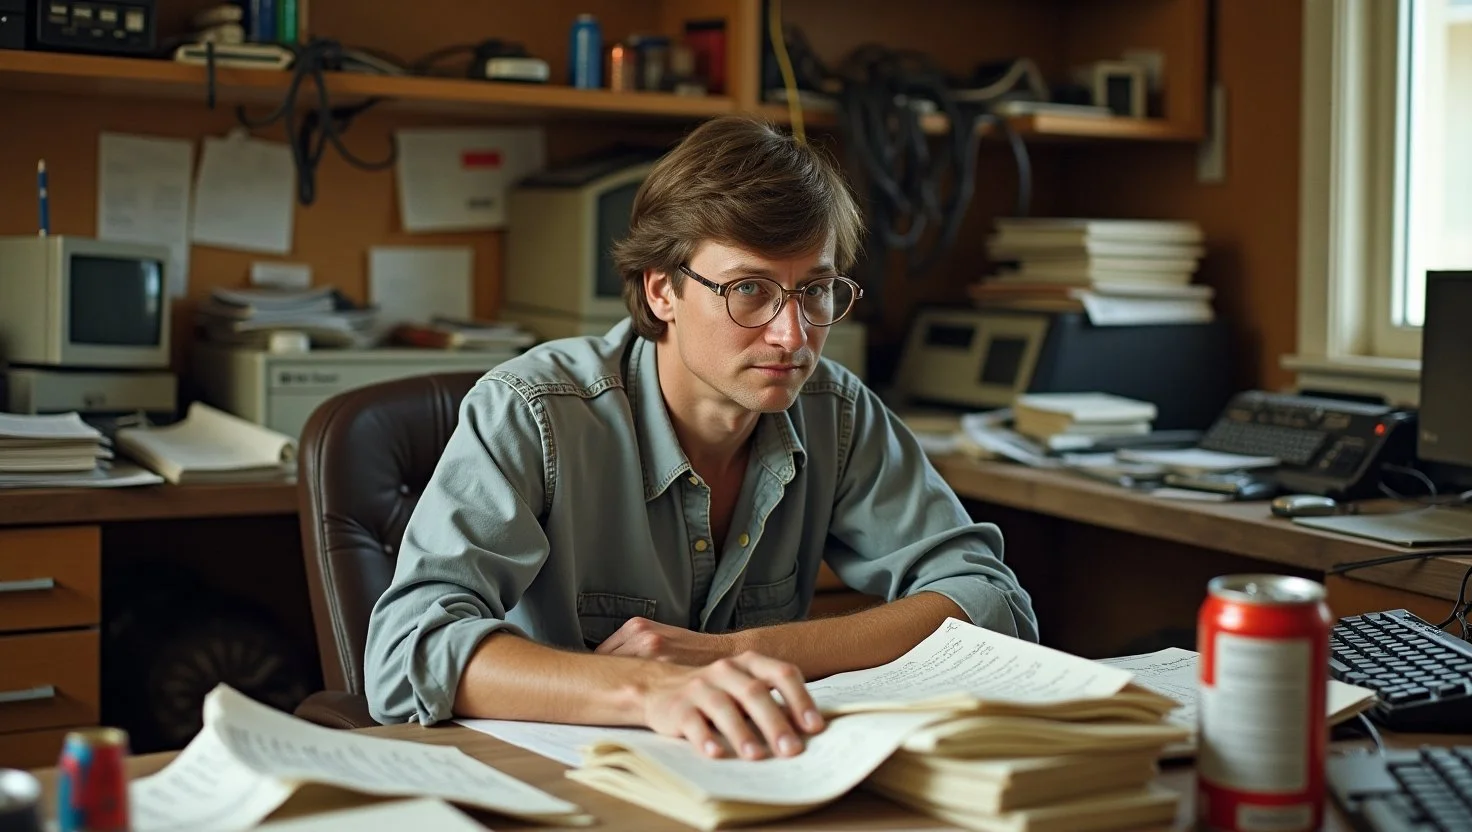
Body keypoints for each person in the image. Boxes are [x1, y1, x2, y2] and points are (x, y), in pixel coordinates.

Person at [364, 115, 1037, 761]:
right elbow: (408, 653)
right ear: (662, 291)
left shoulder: (837, 411)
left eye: (817, 290)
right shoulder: (536, 411)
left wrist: (740, 654)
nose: (792, 335)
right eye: (749, 288)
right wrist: (650, 688)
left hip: (756, 767)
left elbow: (992, 603)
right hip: (570, 773)